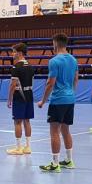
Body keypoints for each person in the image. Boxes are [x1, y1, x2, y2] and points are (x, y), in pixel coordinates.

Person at [36, 33, 78, 172]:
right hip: (70, 99)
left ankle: (55, 164)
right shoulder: (73, 60)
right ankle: (69, 160)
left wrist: (43, 101)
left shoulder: (54, 61)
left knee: (54, 131)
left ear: (55, 44)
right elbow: (76, 79)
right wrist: (71, 93)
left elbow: (50, 83)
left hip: (58, 100)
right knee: (66, 130)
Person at [6, 43, 35, 155]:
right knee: (27, 120)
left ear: (19, 53)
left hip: (19, 96)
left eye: (13, 52)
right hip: (29, 95)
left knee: (17, 121)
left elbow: (13, 85)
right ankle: (28, 147)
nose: (12, 54)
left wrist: (9, 99)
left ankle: (18, 148)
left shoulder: (16, 67)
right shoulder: (31, 67)